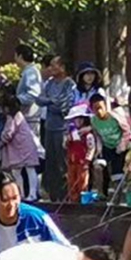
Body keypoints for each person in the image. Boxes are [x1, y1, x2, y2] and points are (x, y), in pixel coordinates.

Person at [37, 55, 75, 201]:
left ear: (63, 67)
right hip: (49, 127)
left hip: (62, 128)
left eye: (54, 65)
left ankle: (65, 195)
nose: (51, 68)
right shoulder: (49, 83)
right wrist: (52, 101)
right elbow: (39, 99)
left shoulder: (69, 84)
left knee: (62, 163)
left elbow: (65, 105)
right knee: (50, 163)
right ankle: (53, 194)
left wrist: (50, 102)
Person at [90, 94, 131, 196]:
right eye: (95, 109)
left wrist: (122, 145)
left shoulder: (115, 117)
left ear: (105, 106)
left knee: (117, 173)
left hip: (119, 146)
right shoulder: (94, 120)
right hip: (106, 147)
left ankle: (118, 196)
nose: (99, 112)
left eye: (100, 108)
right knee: (98, 167)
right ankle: (101, 193)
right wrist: (99, 149)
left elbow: (127, 131)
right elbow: (98, 136)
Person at [0, 96, 41, 201]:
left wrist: (0, 143)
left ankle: (31, 194)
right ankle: (21, 193)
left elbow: (8, 133)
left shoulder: (13, 118)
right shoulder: (19, 116)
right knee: (19, 171)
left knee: (27, 170)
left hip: (22, 148)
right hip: (22, 148)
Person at [65, 104, 97, 203]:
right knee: (71, 181)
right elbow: (66, 146)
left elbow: (91, 148)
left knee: (82, 181)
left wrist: (87, 161)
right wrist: (67, 141)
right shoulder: (72, 133)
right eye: (75, 119)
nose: (77, 122)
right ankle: (73, 200)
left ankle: (82, 201)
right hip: (72, 161)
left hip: (82, 162)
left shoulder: (88, 135)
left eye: (80, 119)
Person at [14, 44, 43, 136]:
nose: (14, 59)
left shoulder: (31, 72)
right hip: (27, 118)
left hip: (30, 118)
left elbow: (33, 95)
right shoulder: (28, 71)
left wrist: (16, 100)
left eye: (15, 55)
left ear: (20, 56)